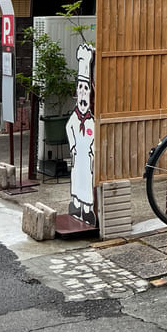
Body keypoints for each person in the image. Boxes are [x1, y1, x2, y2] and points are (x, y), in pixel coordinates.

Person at [65, 44, 97, 226]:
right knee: (77, 177)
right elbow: (70, 128)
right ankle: (76, 204)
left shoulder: (91, 120)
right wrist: (73, 147)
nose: (83, 92)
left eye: (86, 88)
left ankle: (87, 208)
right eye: (80, 88)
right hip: (78, 157)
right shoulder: (74, 119)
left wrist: (92, 149)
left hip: (88, 157)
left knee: (87, 179)